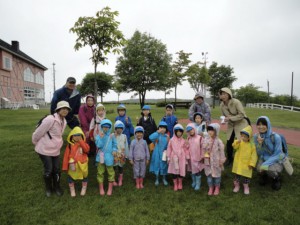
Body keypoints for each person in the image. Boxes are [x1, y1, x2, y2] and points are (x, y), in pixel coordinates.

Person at [32, 100, 70, 197]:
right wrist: (36, 143)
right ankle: (48, 188)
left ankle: (57, 187)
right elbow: (38, 133)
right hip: (44, 149)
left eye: (67, 109)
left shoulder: (64, 121)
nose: (65, 110)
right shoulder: (50, 119)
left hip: (55, 150)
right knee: (49, 169)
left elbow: (58, 135)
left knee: (56, 169)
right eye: (63, 108)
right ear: (58, 109)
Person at [253, 116, 287, 190]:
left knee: (269, 169)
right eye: (259, 124)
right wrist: (260, 144)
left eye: (263, 124)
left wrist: (265, 164)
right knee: (259, 168)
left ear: (268, 125)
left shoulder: (275, 137)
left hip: (277, 158)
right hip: (264, 157)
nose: (261, 127)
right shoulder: (256, 137)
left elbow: (277, 154)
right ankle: (264, 176)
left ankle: (276, 179)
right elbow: (259, 153)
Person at [219, 87, 249, 166]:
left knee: (242, 142)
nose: (223, 96)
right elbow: (224, 115)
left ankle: (243, 160)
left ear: (229, 94)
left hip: (241, 122)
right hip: (231, 124)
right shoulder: (221, 105)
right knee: (229, 142)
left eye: (225, 94)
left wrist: (230, 118)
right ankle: (229, 159)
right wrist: (224, 119)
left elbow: (242, 115)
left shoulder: (236, 102)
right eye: (222, 94)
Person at [62, 126, 90, 197]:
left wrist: (81, 142)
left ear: (82, 136)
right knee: (71, 177)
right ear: (72, 136)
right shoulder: (69, 146)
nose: (77, 137)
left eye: (79, 135)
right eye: (75, 135)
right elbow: (66, 156)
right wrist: (65, 167)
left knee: (84, 176)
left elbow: (87, 150)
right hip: (73, 165)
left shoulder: (83, 143)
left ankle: (84, 188)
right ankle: (72, 189)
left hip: (82, 165)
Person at [232, 125, 257, 195]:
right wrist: (237, 142)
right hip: (239, 163)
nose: (243, 138)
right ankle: (237, 186)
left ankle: (246, 187)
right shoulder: (240, 142)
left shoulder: (252, 145)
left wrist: (252, 164)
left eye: (245, 136)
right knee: (237, 176)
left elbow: (254, 155)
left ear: (249, 137)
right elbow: (234, 147)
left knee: (246, 177)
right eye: (242, 136)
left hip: (247, 164)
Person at [95, 119, 118, 196]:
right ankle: (101, 188)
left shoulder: (112, 136)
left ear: (110, 127)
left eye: (108, 127)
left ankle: (110, 188)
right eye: (104, 127)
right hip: (100, 157)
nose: (106, 128)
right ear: (101, 127)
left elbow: (115, 145)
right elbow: (98, 146)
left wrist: (114, 150)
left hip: (109, 157)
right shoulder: (98, 136)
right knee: (100, 172)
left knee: (111, 172)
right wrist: (101, 138)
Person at [203, 123, 226, 196]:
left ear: (216, 131)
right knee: (209, 175)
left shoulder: (219, 141)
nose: (210, 132)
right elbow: (203, 148)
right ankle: (210, 187)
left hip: (216, 162)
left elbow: (222, 151)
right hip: (208, 161)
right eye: (209, 130)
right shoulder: (206, 139)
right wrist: (206, 145)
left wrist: (221, 160)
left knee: (217, 176)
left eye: (212, 130)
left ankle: (217, 187)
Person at [167, 124, 189, 191]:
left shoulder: (183, 140)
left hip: (182, 157)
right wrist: (168, 157)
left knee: (181, 170)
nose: (179, 133)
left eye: (180, 132)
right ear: (175, 132)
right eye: (177, 132)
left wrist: (187, 156)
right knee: (174, 171)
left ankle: (180, 183)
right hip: (174, 157)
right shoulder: (172, 140)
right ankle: (175, 184)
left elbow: (185, 149)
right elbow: (169, 148)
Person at [149, 121, 169, 186]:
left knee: (164, 166)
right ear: (158, 128)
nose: (162, 129)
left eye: (164, 128)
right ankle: (157, 178)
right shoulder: (157, 136)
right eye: (161, 127)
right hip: (157, 154)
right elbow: (150, 137)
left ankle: (164, 178)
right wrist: (157, 132)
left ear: (166, 129)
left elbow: (169, 145)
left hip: (164, 154)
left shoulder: (167, 137)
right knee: (156, 165)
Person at [186, 123, 205, 191]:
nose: (191, 131)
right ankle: (193, 181)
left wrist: (202, 156)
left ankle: (198, 183)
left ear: (194, 129)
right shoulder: (188, 138)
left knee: (197, 171)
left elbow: (203, 148)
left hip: (198, 158)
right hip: (190, 159)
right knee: (191, 171)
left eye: (192, 130)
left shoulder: (200, 138)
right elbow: (187, 148)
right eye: (189, 131)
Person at [113, 120, 129, 187]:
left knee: (120, 167)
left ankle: (120, 179)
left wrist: (127, 155)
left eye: (121, 128)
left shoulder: (124, 136)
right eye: (117, 128)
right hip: (115, 155)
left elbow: (126, 145)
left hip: (122, 155)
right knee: (113, 167)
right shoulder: (113, 136)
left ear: (123, 129)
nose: (119, 130)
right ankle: (112, 179)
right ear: (115, 129)